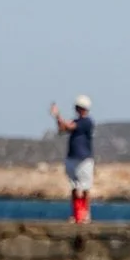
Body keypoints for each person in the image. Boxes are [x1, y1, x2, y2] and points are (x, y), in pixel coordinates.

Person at [51, 95, 95, 226]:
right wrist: (57, 118)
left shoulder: (87, 122)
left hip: (84, 160)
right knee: (75, 187)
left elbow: (68, 127)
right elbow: (62, 128)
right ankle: (76, 214)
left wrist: (57, 115)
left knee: (85, 188)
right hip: (72, 158)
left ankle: (85, 214)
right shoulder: (76, 122)